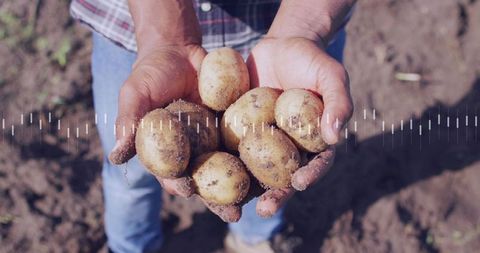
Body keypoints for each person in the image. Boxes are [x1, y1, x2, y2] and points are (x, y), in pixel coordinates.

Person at [70, 0, 355, 252]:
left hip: (283, 24)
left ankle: (255, 239)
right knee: (130, 172)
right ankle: (128, 247)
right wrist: (165, 37)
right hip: (138, 26)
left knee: (260, 187)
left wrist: (303, 27)